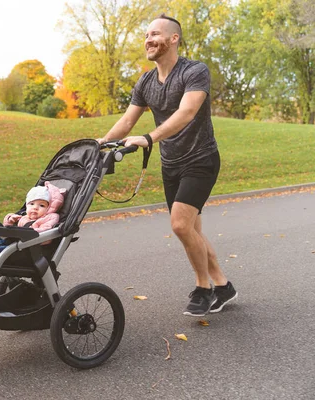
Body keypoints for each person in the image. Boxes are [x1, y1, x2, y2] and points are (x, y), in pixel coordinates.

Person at [97, 14, 237, 317]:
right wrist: (99, 144)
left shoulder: (194, 71)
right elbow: (127, 120)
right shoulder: (146, 81)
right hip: (171, 164)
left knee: (180, 225)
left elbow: (186, 112)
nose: (148, 39)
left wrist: (150, 137)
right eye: (147, 34)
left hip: (200, 159)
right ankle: (224, 286)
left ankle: (204, 288)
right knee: (193, 230)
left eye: (155, 33)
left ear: (174, 39)